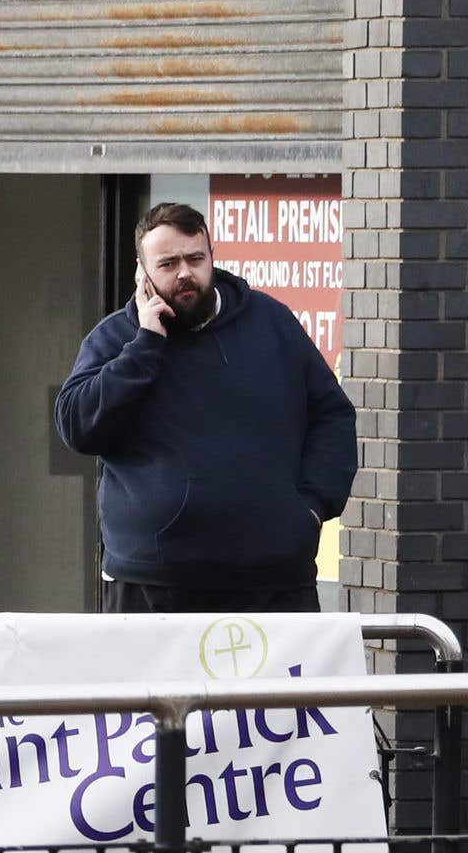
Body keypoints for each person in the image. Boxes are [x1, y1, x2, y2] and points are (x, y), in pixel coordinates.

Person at [55, 199, 357, 614]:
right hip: (152, 583)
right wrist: (145, 346)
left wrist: (310, 506)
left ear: (212, 258)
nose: (184, 273)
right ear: (142, 275)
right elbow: (77, 427)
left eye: (195, 258)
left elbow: (331, 414)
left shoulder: (270, 324)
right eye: (168, 263)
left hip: (271, 580)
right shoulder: (116, 339)